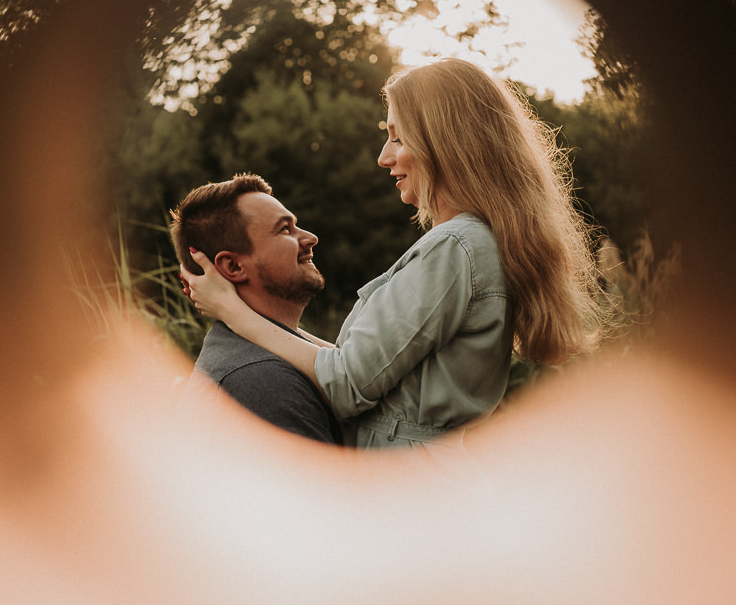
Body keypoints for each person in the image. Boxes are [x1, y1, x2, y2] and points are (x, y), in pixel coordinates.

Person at [182, 57, 603, 448]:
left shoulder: (454, 248)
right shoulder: (472, 244)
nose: (384, 158)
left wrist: (231, 311)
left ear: (444, 143)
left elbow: (344, 385)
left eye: (397, 137)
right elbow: (357, 366)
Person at [171, 174, 343, 444]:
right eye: (285, 230)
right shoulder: (261, 380)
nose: (311, 238)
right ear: (234, 267)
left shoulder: (254, 355)